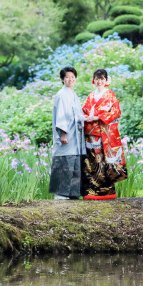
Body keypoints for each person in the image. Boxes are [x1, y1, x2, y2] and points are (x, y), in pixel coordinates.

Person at [81, 68, 127, 200]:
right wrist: (85, 117)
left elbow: (116, 112)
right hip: (90, 133)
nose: (99, 81)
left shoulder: (110, 95)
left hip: (104, 134)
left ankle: (106, 192)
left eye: (102, 79)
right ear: (93, 80)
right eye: (97, 78)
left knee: (104, 161)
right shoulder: (90, 96)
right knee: (91, 161)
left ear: (106, 80)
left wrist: (97, 117)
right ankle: (90, 191)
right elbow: (84, 110)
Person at [49, 66, 85, 199]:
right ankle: (61, 194)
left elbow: (78, 115)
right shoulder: (62, 94)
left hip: (76, 135)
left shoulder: (73, 94)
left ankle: (73, 193)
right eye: (67, 77)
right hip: (67, 135)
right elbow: (61, 115)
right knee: (65, 162)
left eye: (72, 77)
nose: (70, 79)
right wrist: (63, 134)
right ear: (62, 79)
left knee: (75, 162)